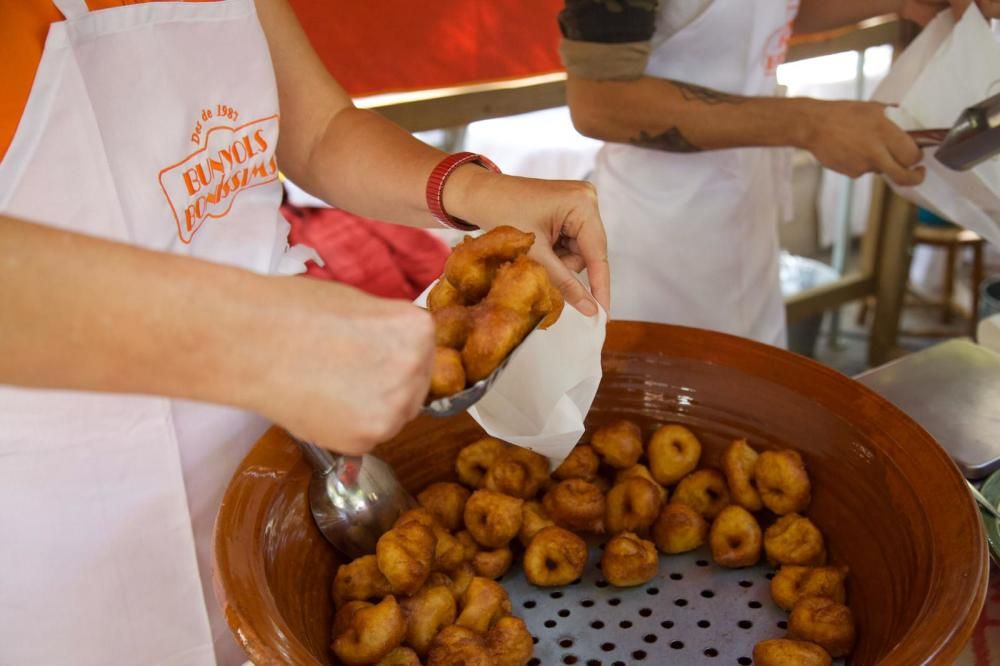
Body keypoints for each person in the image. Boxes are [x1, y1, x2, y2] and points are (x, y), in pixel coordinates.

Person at [0, 0, 609, 663]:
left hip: (279, 454)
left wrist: (476, 196)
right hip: (53, 513)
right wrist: (260, 334)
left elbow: (317, 130)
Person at [558, 0, 998, 347]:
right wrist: (811, 123)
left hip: (750, 214)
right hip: (655, 234)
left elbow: (773, 8)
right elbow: (600, 101)